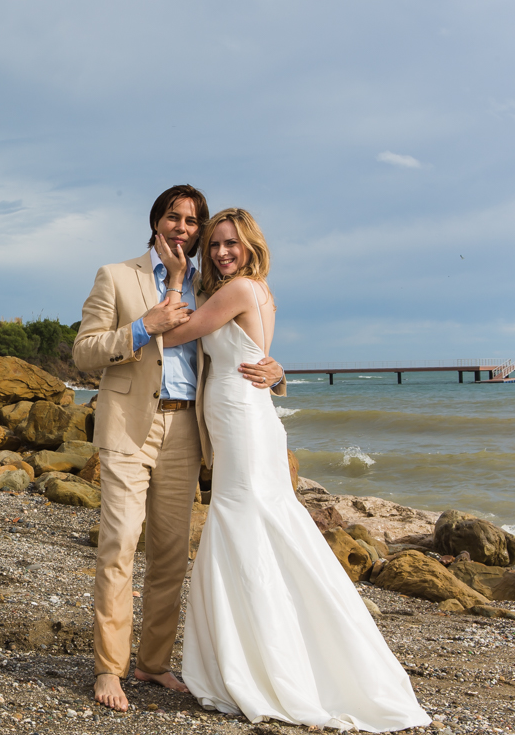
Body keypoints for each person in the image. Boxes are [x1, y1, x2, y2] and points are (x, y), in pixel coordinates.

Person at [163, 209, 430, 731]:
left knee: (248, 527)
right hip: (243, 417)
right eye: (215, 243)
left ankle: (266, 666)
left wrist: (174, 280)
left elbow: (176, 334)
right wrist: (277, 369)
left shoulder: (240, 289)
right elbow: (257, 355)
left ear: (250, 246)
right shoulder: (258, 291)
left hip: (242, 421)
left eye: (231, 243)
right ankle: (262, 657)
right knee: (257, 529)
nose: (220, 252)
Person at [73, 186, 286, 713]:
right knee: (120, 546)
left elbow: (247, 343)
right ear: (156, 221)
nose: (184, 229)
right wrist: (145, 325)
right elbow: (84, 352)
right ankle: (109, 668)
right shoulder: (116, 276)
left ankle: (153, 662)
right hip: (128, 425)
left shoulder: (212, 281)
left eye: (194, 222)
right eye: (175, 217)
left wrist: (277, 374)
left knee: (170, 556)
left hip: (189, 429)